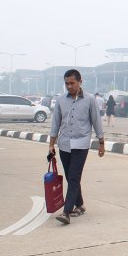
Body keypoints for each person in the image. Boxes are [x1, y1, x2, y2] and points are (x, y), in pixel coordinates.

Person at [49, 69, 105, 225]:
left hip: (81, 143)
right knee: (70, 176)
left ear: (80, 82)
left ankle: (66, 211)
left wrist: (101, 142)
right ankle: (80, 205)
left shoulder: (90, 100)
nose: (69, 86)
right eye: (66, 83)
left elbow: (96, 121)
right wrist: (51, 144)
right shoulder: (61, 100)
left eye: (72, 83)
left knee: (74, 176)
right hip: (64, 144)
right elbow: (55, 123)